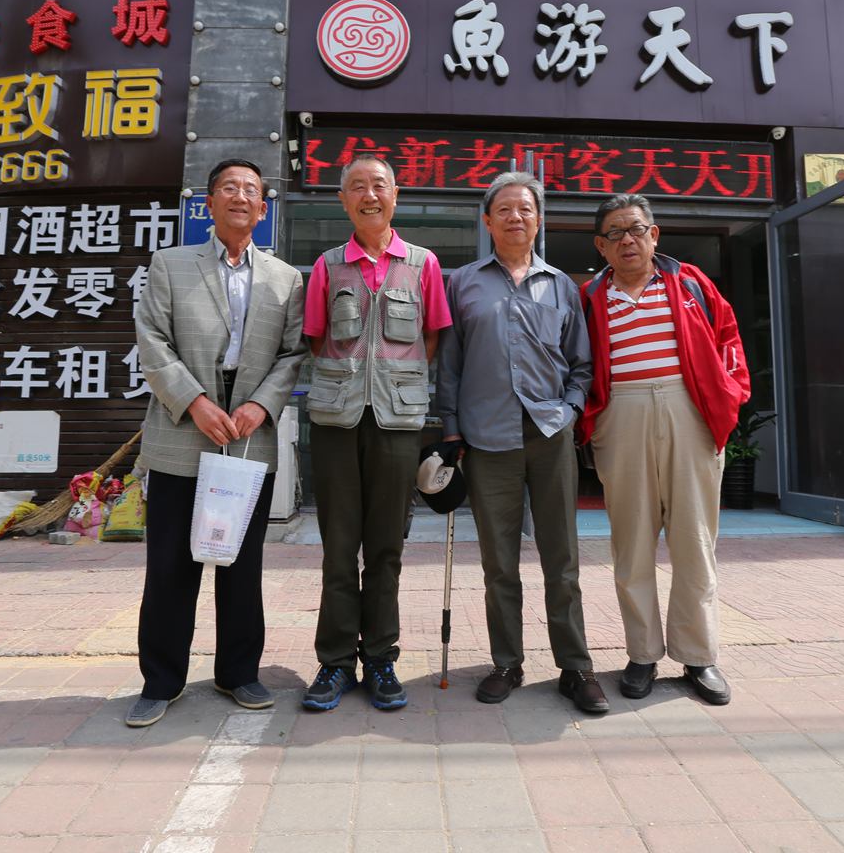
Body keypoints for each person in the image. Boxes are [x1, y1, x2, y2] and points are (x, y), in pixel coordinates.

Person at [126, 158, 306, 728]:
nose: (240, 196)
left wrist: (262, 405)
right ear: (209, 203)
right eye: (229, 187)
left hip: (248, 436)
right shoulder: (171, 264)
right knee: (170, 565)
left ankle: (239, 673)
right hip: (184, 427)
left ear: (263, 207)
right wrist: (195, 402)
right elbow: (152, 340)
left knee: (241, 566)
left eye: (251, 189)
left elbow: (293, 353)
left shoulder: (285, 278)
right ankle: (161, 681)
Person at [436, 171, 607, 715]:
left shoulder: (561, 286)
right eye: (504, 209)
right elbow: (449, 364)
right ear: (487, 221)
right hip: (487, 438)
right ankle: (506, 662)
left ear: (538, 221)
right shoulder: (463, 283)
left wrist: (571, 410)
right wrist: (451, 429)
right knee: (499, 563)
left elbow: (581, 364)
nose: (516, 217)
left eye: (525, 209)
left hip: (550, 435)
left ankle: (575, 667)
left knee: (563, 558)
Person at [578, 194, 749, 706]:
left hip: (688, 410)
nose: (626, 240)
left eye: (636, 229)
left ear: (654, 235)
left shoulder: (690, 282)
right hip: (621, 414)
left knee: (694, 540)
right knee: (631, 543)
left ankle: (698, 655)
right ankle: (642, 654)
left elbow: (729, 338)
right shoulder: (590, 297)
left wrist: (730, 395)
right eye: (614, 233)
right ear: (601, 246)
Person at [301, 155, 451, 712]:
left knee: (386, 547)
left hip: (398, 423)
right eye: (357, 187)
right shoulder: (327, 265)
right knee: (339, 548)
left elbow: (432, 340)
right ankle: (336, 662)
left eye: (379, 186)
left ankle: (382, 659)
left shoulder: (423, 263)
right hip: (336, 422)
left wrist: (391, 381)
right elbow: (315, 338)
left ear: (395, 196)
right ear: (343, 200)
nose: (369, 195)